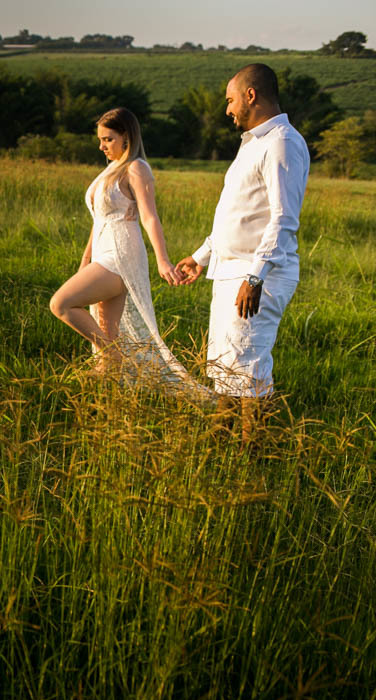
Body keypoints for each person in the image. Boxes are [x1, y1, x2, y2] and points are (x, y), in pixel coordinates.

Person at [174, 63, 310, 436]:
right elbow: (241, 213)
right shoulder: (254, 143)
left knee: (247, 367)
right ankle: (223, 443)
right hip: (232, 271)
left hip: (258, 274)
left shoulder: (282, 142)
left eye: (231, 100)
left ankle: (254, 451)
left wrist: (255, 277)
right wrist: (202, 256)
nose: (227, 109)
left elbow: (283, 218)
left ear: (251, 95)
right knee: (225, 365)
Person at [50, 107, 210, 398]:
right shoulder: (110, 169)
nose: (102, 146)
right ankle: (110, 401)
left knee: (61, 304)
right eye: (100, 140)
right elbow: (99, 219)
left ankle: (114, 356)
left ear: (126, 136)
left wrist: (162, 259)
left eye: (108, 139)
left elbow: (149, 217)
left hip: (121, 256)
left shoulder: (136, 168)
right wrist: (85, 260)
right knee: (106, 329)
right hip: (102, 253)